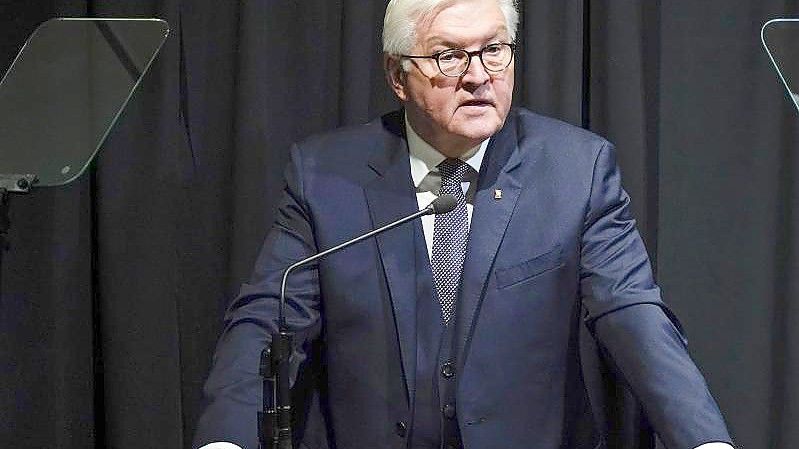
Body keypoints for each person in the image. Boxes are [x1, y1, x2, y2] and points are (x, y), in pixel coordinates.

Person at [194, 1, 736, 448]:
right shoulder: (324, 176)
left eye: (494, 51)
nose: (478, 77)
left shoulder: (576, 170)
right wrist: (225, 440)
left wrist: (705, 440)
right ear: (397, 76)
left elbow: (632, 312)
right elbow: (268, 318)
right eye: (449, 56)